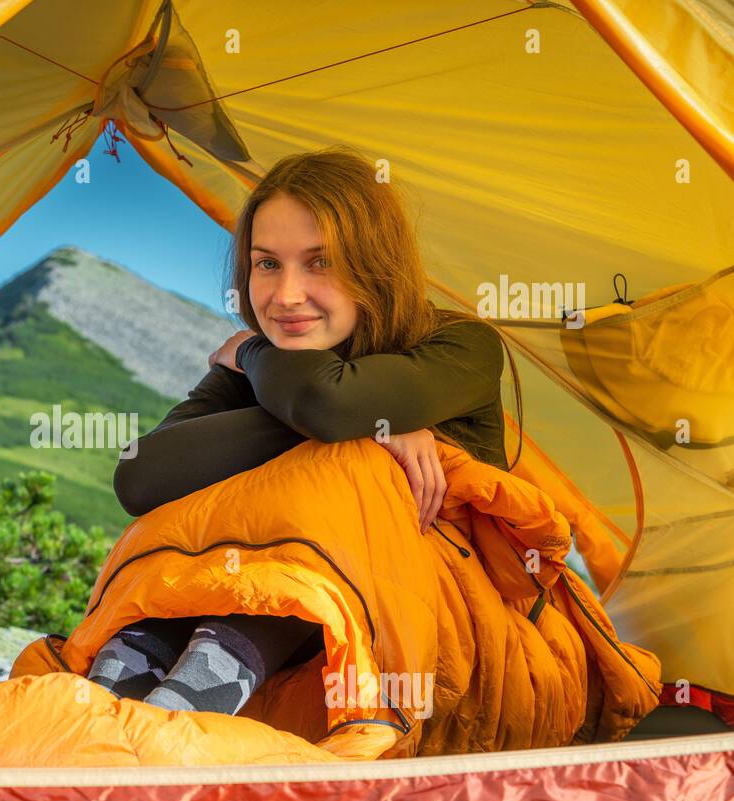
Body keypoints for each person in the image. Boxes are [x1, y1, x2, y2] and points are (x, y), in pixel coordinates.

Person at [89, 146, 517, 716]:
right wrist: (352, 418)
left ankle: (188, 700)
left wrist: (259, 356)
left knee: (344, 471)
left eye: (321, 262)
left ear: (375, 264)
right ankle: (122, 682)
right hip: (268, 617)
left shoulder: (461, 348)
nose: (286, 295)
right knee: (226, 510)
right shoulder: (260, 370)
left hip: (441, 643)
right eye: (267, 264)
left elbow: (323, 400)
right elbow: (142, 476)